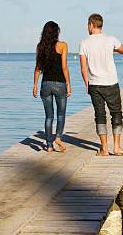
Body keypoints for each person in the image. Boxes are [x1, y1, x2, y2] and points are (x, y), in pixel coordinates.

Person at [79, 13, 123, 156]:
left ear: (90, 25)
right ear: (100, 25)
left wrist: (86, 83)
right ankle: (117, 147)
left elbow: (83, 68)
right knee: (116, 113)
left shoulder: (84, 43)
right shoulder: (110, 39)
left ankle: (104, 148)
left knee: (100, 115)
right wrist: (113, 49)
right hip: (111, 82)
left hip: (94, 84)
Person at [32, 21, 71, 152]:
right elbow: (64, 67)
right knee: (61, 114)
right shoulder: (62, 45)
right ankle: (58, 137)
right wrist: (68, 84)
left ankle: (49, 145)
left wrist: (35, 85)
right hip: (60, 84)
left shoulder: (40, 47)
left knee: (49, 116)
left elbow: (37, 68)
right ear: (56, 32)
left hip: (46, 84)